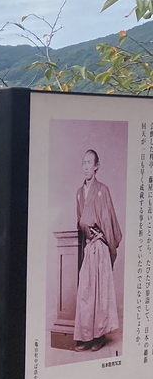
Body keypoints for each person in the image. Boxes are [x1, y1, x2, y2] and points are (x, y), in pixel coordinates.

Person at [73, 148, 121, 352]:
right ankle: (87, 336)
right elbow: (79, 221)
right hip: (89, 246)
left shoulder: (103, 190)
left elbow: (110, 221)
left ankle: (100, 336)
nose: (85, 166)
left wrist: (102, 236)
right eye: (83, 162)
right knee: (86, 292)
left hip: (100, 246)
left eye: (89, 163)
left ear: (96, 166)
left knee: (99, 292)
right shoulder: (78, 193)